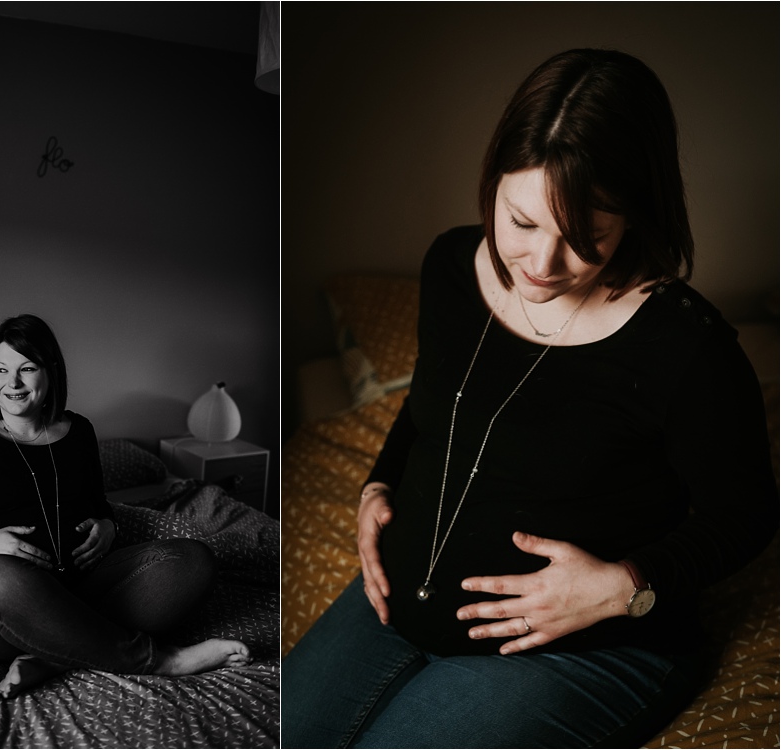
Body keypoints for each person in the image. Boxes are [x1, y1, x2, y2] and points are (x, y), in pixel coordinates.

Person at [281, 48, 776, 748]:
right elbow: (437, 400)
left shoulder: (687, 346)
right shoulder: (451, 265)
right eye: (521, 222)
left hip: (587, 646)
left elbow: (748, 514)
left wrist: (625, 583)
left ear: (635, 217)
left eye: (585, 238)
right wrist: (376, 484)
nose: (542, 266)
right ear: (493, 184)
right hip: (398, 598)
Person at [0, 314, 250, 698]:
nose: (12, 383)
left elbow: (97, 503)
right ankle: (156, 661)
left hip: (76, 588)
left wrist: (108, 526)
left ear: (51, 371)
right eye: (1, 369)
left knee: (192, 559)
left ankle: (54, 657)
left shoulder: (79, 433)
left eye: (27, 368)